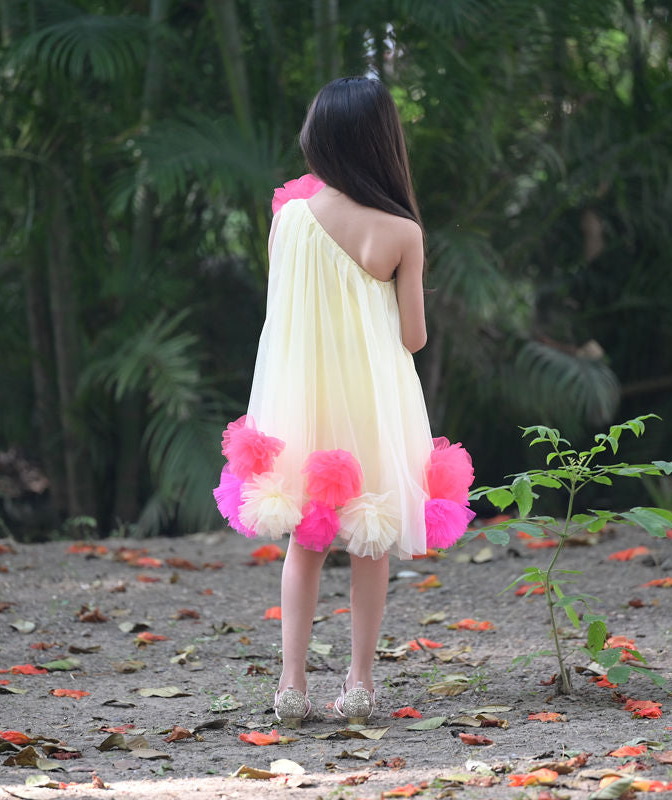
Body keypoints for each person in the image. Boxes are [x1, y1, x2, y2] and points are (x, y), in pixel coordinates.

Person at [214, 76, 475, 728]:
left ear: (322, 140)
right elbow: (413, 337)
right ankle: (359, 683)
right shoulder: (400, 232)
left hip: (303, 399)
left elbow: (286, 313)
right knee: (370, 540)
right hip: (372, 406)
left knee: (305, 541)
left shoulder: (289, 218)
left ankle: (292, 685)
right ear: (382, 144)